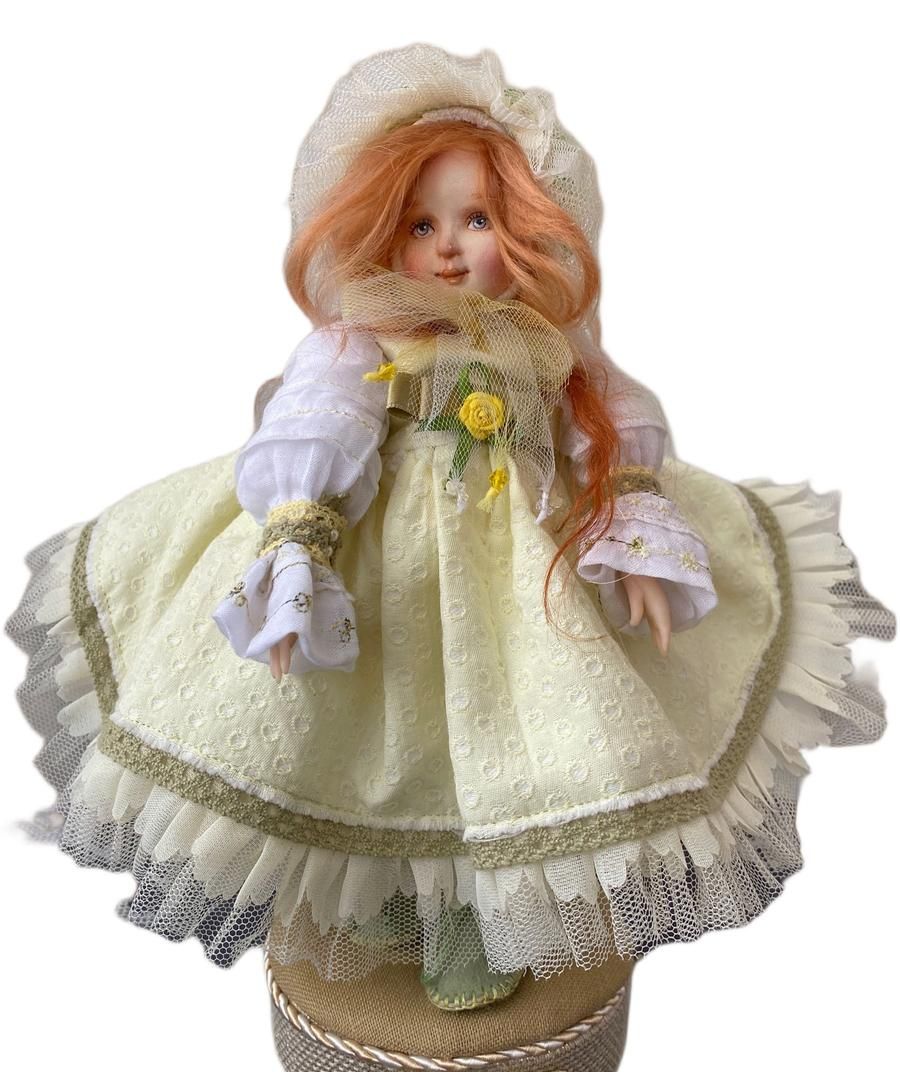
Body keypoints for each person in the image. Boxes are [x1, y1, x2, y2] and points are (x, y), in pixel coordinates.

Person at [7, 45, 893, 1013]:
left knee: (509, 732)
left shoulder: (540, 342)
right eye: (420, 224)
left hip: (519, 578)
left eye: (476, 220)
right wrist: (301, 539)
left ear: (526, 227)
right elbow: (315, 424)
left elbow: (609, 420)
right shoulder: (357, 340)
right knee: (376, 726)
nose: (447, 249)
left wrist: (635, 531)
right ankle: (390, 895)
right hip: (388, 567)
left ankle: (480, 911)